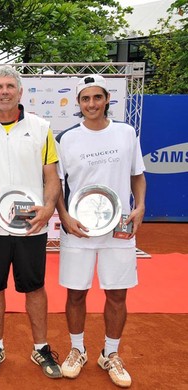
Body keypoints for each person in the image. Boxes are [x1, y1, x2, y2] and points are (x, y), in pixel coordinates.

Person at [0, 65, 62, 379]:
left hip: (30, 226)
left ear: (20, 92)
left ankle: (41, 347)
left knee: (34, 288)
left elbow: (51, 176)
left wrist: (49, 207)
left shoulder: (40, 127)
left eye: (10, 86)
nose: (5, 91)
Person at [55, 74, 146, 388]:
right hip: (78, 229)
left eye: (97, 97)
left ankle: (110, 353)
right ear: (78, 103)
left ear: (107, 99)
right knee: (76, 293)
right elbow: (57, 185)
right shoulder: (66, 139)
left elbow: (138, 175)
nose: (91, 104)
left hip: (118, 226)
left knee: (117, 294)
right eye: (85, 99)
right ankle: (77, 349)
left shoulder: (125, 132)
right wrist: (64, 216)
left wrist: (141, 206)